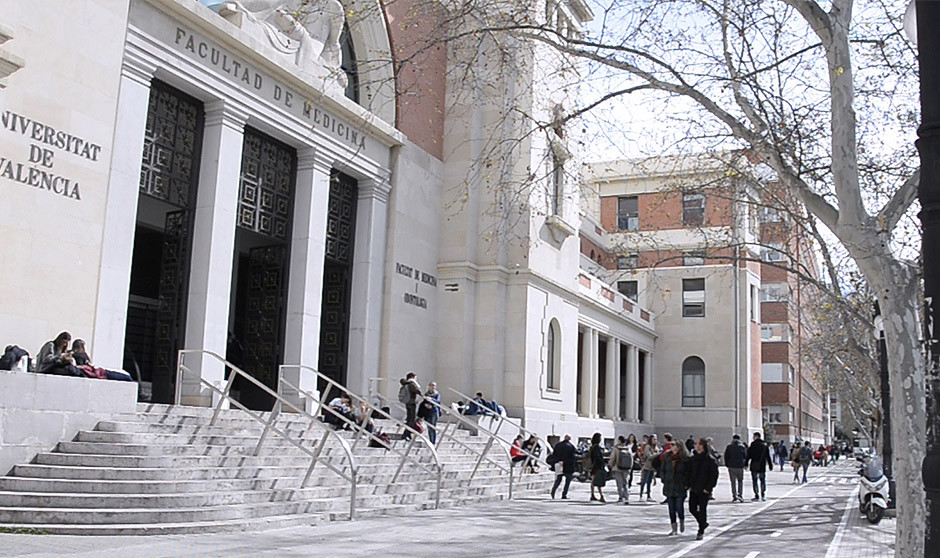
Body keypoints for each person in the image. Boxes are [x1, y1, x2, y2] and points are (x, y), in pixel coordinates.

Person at [688, 438, 719, 540]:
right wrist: (688, 485)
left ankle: (700, 530)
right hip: (694, 487)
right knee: (692, 508)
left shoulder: (710, 460)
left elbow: (713, 475)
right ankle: (703, 523)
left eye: (697, 444)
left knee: (702, 509)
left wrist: (709, 488)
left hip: (704, 488)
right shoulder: (693, 459)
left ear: (702, 446)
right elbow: (689, 473)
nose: (695, 446)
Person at [659, 440, 690, 535]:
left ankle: (681, 520)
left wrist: (686, 484)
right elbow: (662, 469)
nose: (671, 447)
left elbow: (688, 473)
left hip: (680, 486)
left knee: (679, 506)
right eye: (671, 445)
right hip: (669, 485)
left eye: (673, 445)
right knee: (671, 508)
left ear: (679, 446)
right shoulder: (667, 457)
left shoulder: (685, 458)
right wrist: (663, 479)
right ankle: (674, 528)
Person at [745, 431, 773, 501]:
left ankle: (756, 494)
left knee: (754, 480)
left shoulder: (753, 444)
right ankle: (763, 494)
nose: (753, 438)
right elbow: (768, 456)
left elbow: (749, 455)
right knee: (762, 480)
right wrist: (770, 465)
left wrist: (746, 464)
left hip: (754, 464)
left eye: (754, 436)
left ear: (756, 437)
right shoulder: (764, 445)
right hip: (762, 465)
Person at [549, 434, 577, 499]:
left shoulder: (558, 445)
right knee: (568, 481)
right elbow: (573, 457)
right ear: (569, 439)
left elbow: (554, 454)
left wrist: (557, 462)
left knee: (558, 480)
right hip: (568, 466)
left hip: (559, 464)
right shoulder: (571, 446)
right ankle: (564, 494)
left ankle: (553, 490)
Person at [609, 435, 633, 504]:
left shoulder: (616, 449)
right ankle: (626, 497)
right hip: (626, 469)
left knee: (619, 483)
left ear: (619, 441)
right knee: (625, 483)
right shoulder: (628, 449)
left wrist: (610, 465)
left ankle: (621, 497)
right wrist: (630, 468)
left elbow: (612, 458)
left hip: (617, 468)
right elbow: (631, 459)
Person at [723, 434, 747, 503]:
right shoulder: (742, 447)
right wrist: (745, 464)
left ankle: (734, 495)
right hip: (740, 466)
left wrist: (727, 464)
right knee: (740, 481)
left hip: (731, 466)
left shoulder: (729, 447)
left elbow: (726, 456)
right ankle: (740, 494)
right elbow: (745, 456)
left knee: (733, 482)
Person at [589, 432, 607, 503]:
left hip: (593, 466)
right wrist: (602, 463)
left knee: (594, 482)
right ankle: (601, 496)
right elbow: (597, 458)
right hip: (597, 467)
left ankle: (593, 495)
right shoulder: (596, 448)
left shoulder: (592, 447)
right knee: (597, 482)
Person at [640, 435, 659, 502]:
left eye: (656, 439)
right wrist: (657, 454)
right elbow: (649, 456)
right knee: (644, 481)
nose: (655, 441)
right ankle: (641, 495)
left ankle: (648, 495)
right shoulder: (648, 447)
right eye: (654, 439)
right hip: (647, 466)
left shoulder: (655, 447)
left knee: (649, 482)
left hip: (652, 467)